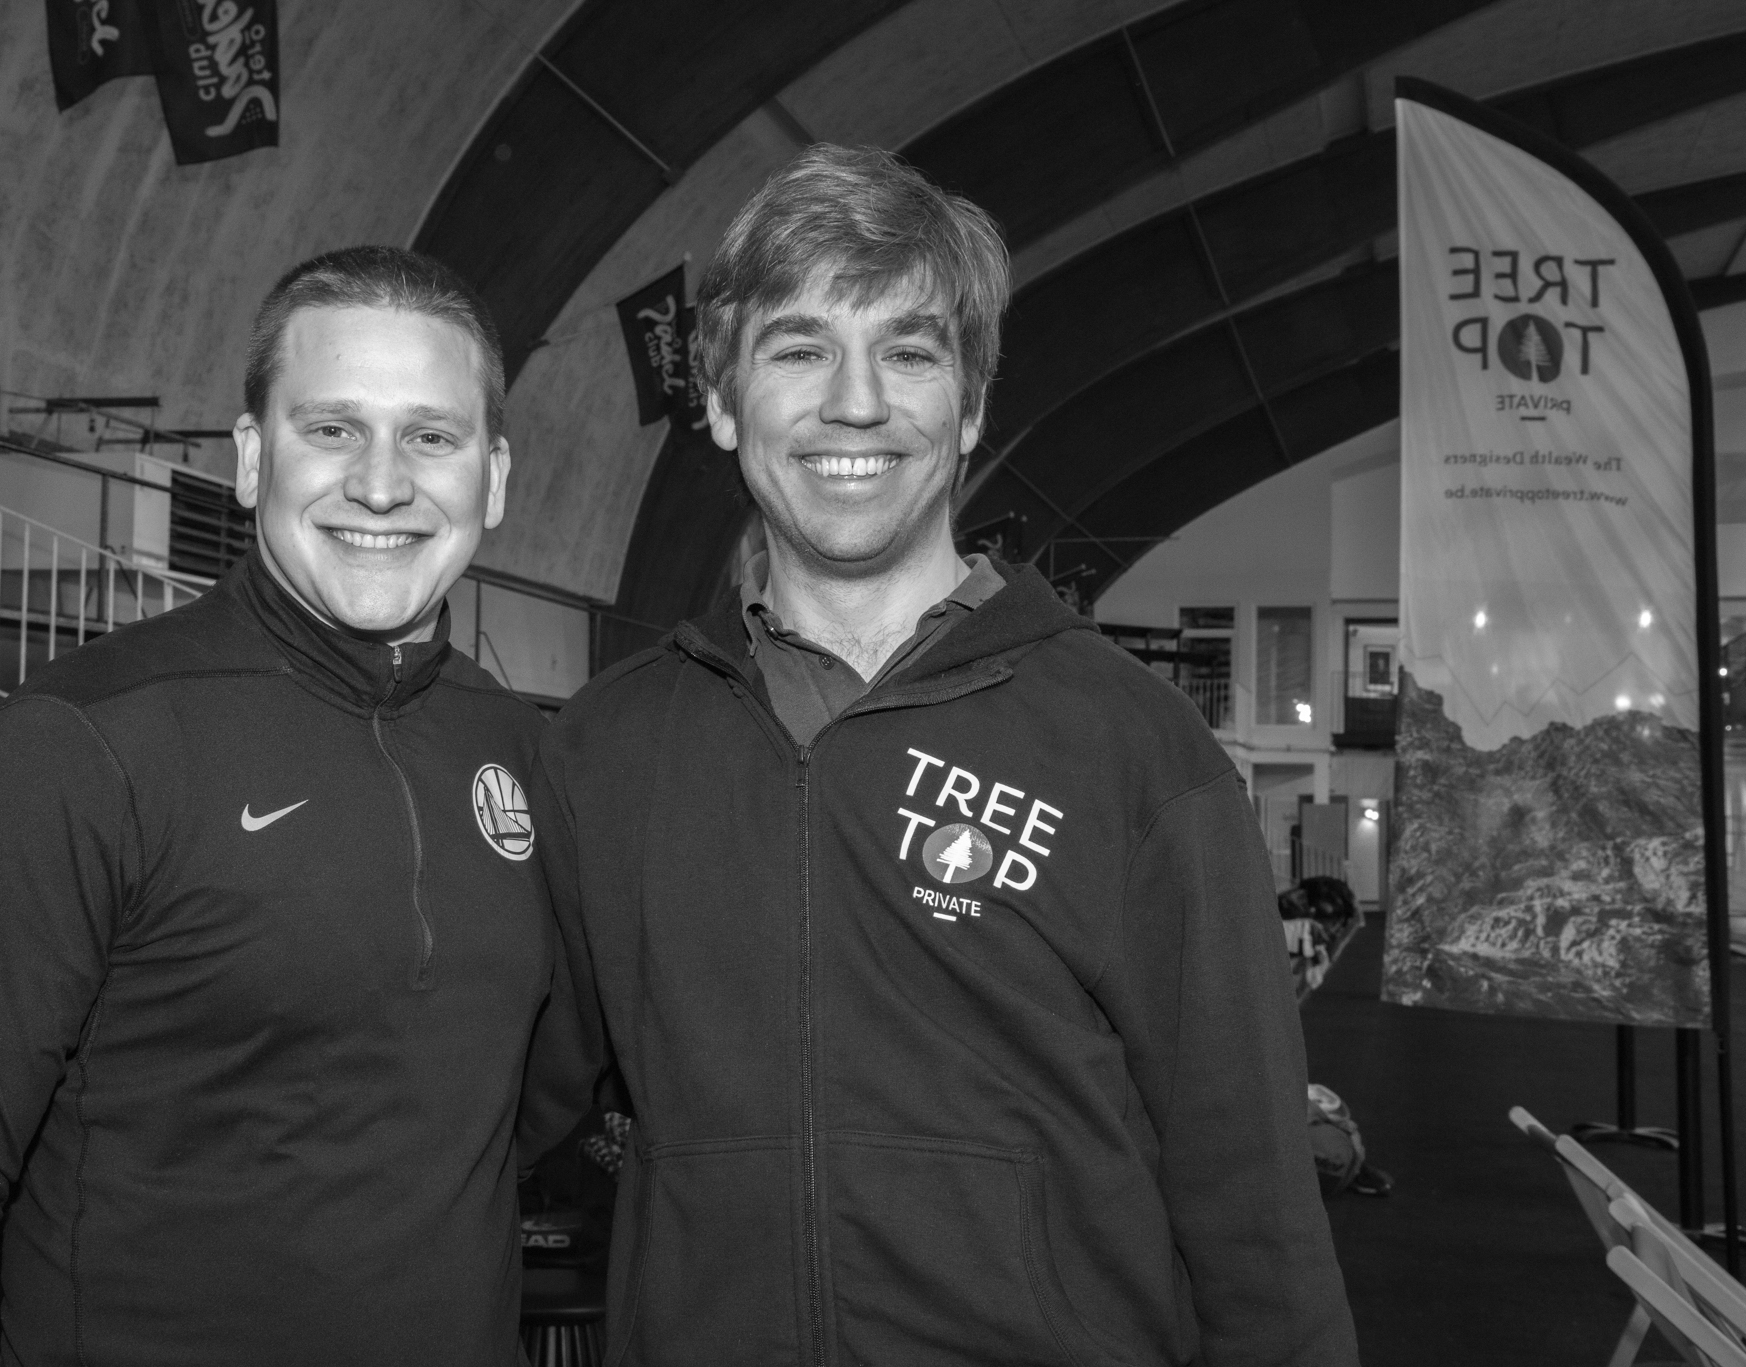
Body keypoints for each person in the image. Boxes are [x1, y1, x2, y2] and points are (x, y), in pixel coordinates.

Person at [535, 146, 1358, 1366]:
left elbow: (1254, 1203)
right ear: (720, 402)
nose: (855, 403)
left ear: (968, 409)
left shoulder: (1131, 744)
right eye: (799, 349)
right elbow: (465, 1109)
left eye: (908, 352)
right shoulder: (607, 746)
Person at [0, 246, 582, 1366]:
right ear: (253, 459)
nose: (380, 483)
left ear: (494, 478)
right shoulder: (80, 745)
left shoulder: (522, 750)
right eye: (332, 428)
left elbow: (510, 1118)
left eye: (431, 436)